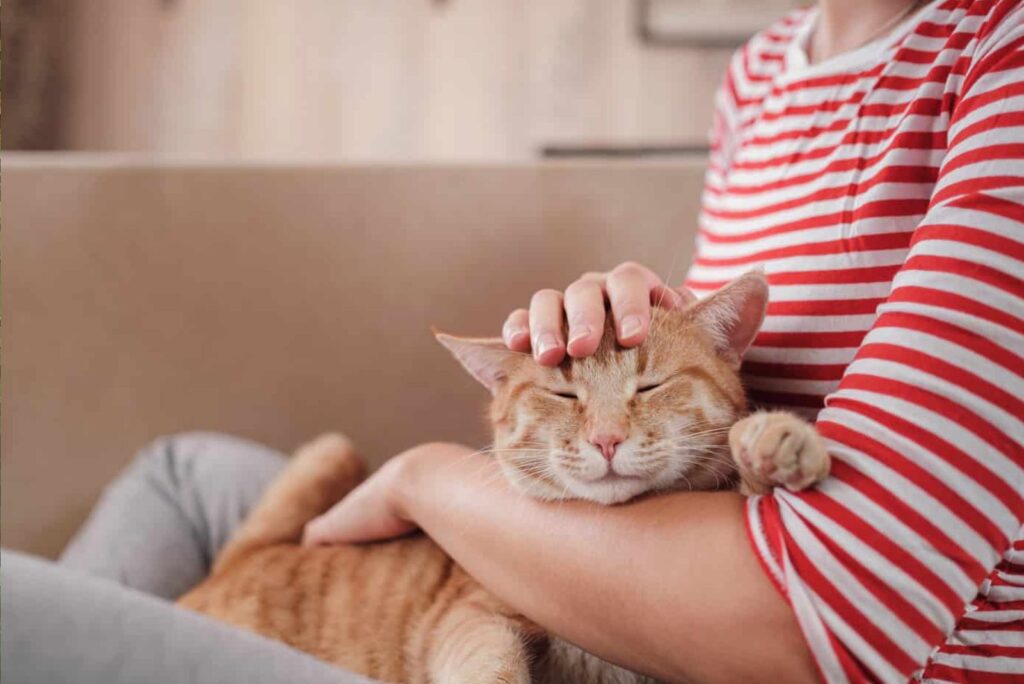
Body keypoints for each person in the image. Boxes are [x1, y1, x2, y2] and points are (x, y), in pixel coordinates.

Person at [3, 1, 1021, 683]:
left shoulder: (1000, 54)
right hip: (660, 516)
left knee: (21, 613)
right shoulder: (762, 70)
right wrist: (636, 317)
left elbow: (831, 611)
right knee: (189, 473)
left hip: (741, 616)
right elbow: (722, 363)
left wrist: (427, 481)